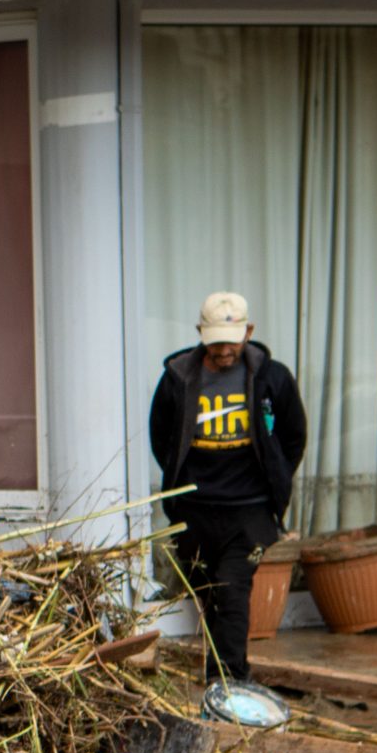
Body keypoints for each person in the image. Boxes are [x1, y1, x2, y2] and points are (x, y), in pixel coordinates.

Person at [149, 290, 308, 694]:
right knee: (207, 593)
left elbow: (294, 436)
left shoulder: (273, 378)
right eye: (215, 340)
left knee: (233, 590)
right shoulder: (178, 378)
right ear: (201, 333)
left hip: (250, 509)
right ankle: (224, 675)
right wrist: (178, 485)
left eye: (230, 340)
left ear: (248, 332)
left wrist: (276, 479)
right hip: (195, 508)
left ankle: (229, 682)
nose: (223, 350)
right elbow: (161, 436)